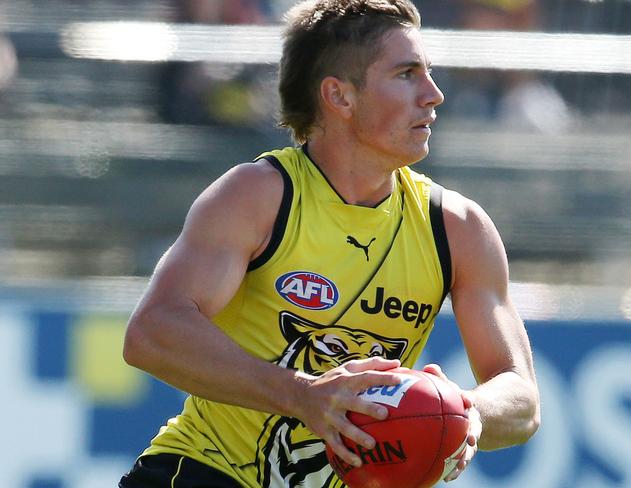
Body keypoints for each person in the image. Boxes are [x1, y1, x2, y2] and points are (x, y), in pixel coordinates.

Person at [120, 1, 540, 487]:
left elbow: (522, 400)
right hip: (203, 474)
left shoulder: (457, 227)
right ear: (339, 96)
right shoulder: (259, 194)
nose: (434, 94)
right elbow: (152, 332)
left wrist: (464, 411)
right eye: (406, 74)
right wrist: (303, 394)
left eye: (429, 73)